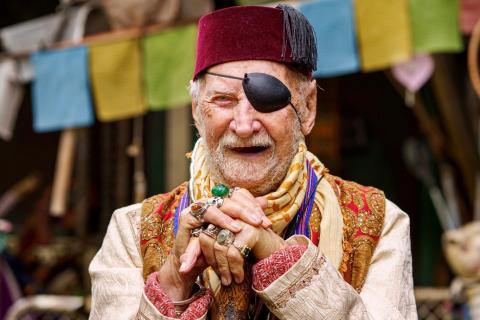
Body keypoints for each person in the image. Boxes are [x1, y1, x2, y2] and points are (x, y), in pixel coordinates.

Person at [89, 4, 417, 320]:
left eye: (267, 102)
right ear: (196, 113)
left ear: (308, 108)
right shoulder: (132, 231)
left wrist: (276, 254)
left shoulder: (377, 221)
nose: (244, 125)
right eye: (222, 100)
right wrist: (175, 279)